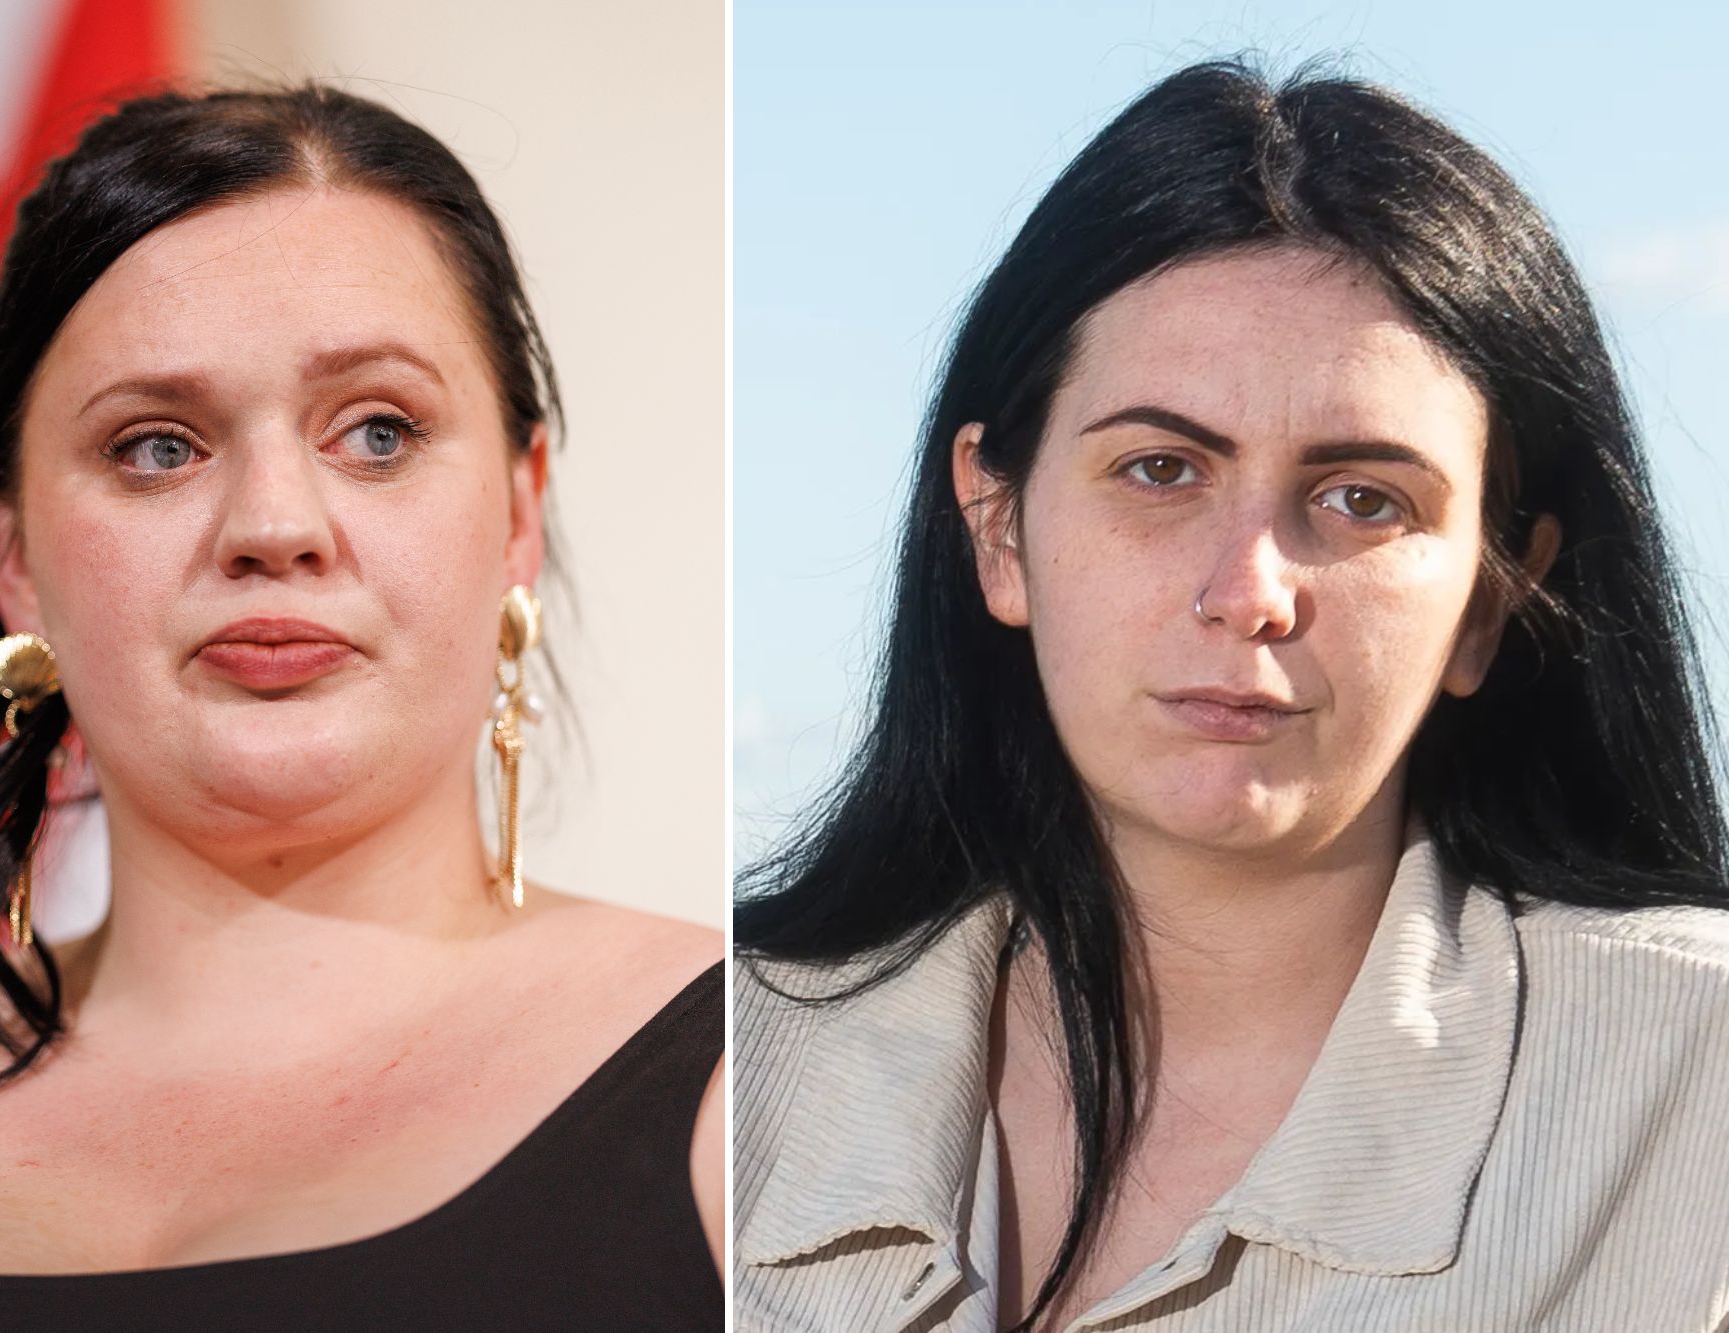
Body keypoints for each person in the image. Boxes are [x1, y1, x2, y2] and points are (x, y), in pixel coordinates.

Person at [733, 59, 1729, 1332]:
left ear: (1490, 596)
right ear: (997, 529)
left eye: (1361, 498)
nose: (1248, 589)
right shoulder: (720, 1061)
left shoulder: (1693, 1083)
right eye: (1159, 468)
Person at [0, 84, 724, 1329]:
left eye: (375, 431)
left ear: (518, 511)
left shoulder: (759, 1094)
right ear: (13, 549)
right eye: (156, 445)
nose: (273, 526)